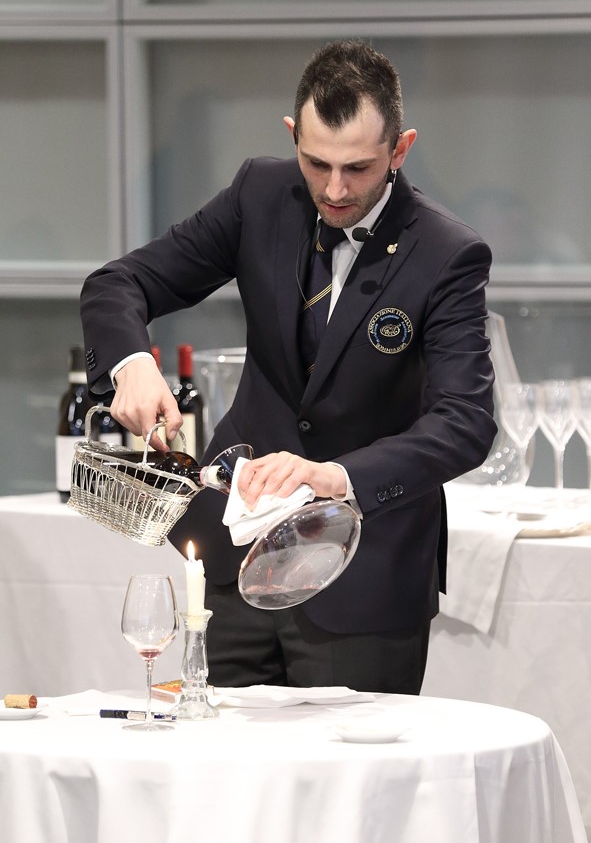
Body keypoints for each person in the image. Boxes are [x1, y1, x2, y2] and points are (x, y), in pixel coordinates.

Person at [81, 40, 497, 695]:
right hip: (230, 557)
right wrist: (131, 363)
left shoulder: (446, 254)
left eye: (358, 168)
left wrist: (335, 475)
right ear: (291, 136)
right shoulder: (259, 193)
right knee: (220, 754)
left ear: (400, 149)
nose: (334, 189)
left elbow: (465, 422)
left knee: (346, 764)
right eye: (316, 163)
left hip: (361, 578)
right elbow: (119, 283)